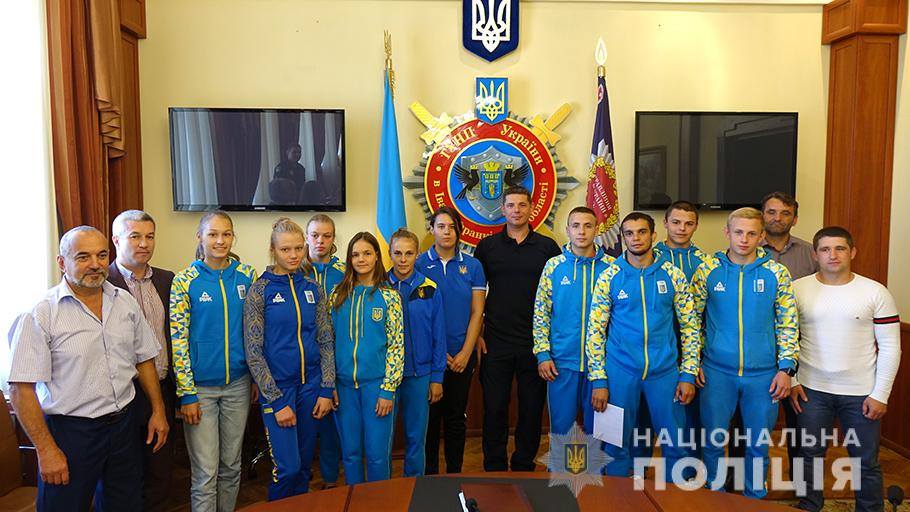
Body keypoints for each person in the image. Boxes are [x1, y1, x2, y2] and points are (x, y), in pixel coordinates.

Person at [8, 226, 168, 512]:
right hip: (71, 433)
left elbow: (144, 358)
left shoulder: (125, 302)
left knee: (126, 505)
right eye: (83, 257)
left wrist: (158, 410)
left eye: (101, 255)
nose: (95, 264)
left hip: (123, 427)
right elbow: (21, 389)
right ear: (62, 262)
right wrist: (46, 450)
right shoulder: (41, 313)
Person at [690, 207, 799, 499]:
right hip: (716, 372)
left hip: (763, 376)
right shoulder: (708, 270)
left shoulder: (776, 273)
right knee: (713, 442)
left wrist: (786, 369)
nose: (744, 239)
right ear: (727, 232)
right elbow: (692, 320)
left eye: (752, 233)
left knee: (758, 445)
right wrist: (693, 361)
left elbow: (788, 322)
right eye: (738, 232)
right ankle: (713, 497)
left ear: (761, 236)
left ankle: (755, 499)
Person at [790, 226, 901, 512]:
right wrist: (792, 381)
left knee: (865, 460)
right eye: (825, 249)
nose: (833, 255)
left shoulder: (875, 292)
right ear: (815, 254)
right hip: (811, 390)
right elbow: (784, 339)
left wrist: (880, 395)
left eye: (840, 248)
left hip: (861, 392)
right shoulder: (796, 289)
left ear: (852, 252)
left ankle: (869, 508)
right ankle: (809, 504)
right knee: (809, 454)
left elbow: (891, 347)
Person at [586, 212, 699, 480]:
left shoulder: (672, 275)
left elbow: (690, 327)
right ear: (623, 238)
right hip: (620, 372)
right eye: (629, 233)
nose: (635, 238)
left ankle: (675, 498)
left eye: (642, 232)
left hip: (665, 372)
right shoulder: (609, 275)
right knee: (614, 445)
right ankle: (619, 499)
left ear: (653, 235)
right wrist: (599, 379)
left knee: (675, 444)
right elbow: (595, 330)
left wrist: (688, 373)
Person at [170, 211, 257, 512]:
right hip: (200, 392)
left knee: (231, 466)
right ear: (200, 237)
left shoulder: (247, 275)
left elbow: (255, 333)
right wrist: (187, 394)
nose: (220, 240)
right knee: (205, 473)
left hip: (238, 386)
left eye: (226, 234)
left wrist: (254, 378)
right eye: (213, 234)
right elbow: (178, 340)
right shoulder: (184, 281)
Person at [244, 218, 336, 500]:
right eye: (286, 249)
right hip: (279, 390)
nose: (294, 255)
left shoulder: (313, 288)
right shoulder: (260, 291)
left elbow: (325, 340)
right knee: (287, 468)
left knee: (304, 467)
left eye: (298, 248)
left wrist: (326, 389)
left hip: (311, 388)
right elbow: (254, 351)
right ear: (273, 250)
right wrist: (276, 401)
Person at [474, 186, 561, 472]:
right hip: (495, 341)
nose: (516, 210)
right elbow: (476, 294)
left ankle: (524, 462)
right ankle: (494, 464)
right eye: (510, 205)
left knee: (532, 408)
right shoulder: (487, 247)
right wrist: (477, 334)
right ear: (502, 209)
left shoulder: (548, 248)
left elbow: (557, 297)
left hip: (535, 343)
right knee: (494, 407)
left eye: (522, 205)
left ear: (531, 209)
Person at [107, 210, 175, 512]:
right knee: (122, 477)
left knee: (160, 472)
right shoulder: (102, 281)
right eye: (135, 236)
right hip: (122, 396)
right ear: (116, 240)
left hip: (162, 390)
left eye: (149, 236)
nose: (144, 244)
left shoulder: (167, 280)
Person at [643, 200, 713, 474]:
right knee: (644, 417)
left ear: (696, 226)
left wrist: (698, 358)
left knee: (689, 418)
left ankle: (687, 475)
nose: (681, 228)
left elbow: (710, 313)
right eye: (676, 222)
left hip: (691, 353)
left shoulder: (706, 263)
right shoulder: (648, 257)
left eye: (688, 223)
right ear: (665, 224)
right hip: (654, 353)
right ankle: (637, 476)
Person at [416, 206, 486, 475]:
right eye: (441, 226)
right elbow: (417, 315)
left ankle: (455, 474)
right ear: (431, 229)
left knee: (456, 418)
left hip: (461, 357)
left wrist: (466, 352)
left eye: (452, 227)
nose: (446, 232)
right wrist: (438, 352)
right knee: (430, 421)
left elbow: (477, 312)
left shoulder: (473, 266)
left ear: (459, 231)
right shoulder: (419, 264)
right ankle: (430, 476)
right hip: (429, 357)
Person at [533, 207, 613, 437]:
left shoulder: (613, 267)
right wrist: (543, 354)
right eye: (576, 226)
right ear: (567, 230)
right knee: (562, 431)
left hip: (602, 366)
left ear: (597, 229)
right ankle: (562, 464)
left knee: (602, 433)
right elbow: (541, 313)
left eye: (588, 226)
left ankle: (600, 464)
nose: (581, 232)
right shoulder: (554, 266)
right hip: (561, 363)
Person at [330, 232, 404, 483]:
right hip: (343, 388)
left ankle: (378, 501)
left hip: (376, 387)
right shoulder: (337, 296)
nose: (361, 259)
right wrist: (330, 384)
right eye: (355, 254)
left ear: (377, 257)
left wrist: (388, 390)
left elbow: (396, 346)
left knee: (377, 455)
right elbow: (327, 343)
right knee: (350, 454)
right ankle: (354, 498)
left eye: (367, 253)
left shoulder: (389, 297)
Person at [759, 191, 818, 479]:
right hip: (756, 349)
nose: (777, 218)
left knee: (799, 418)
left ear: (794, 219)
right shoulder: (745, 248)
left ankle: (801, 482)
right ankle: (737, 480)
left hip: (799, 350)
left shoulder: (811, 253)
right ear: (762, 216)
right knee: (746, 422)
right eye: (771, 212)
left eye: (785, 213)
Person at [387, 229, 446, 476]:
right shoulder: (378, 287)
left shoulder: (429, 288)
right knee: (383, 440)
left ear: (417, 255)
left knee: (416, 439)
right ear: (389, 254)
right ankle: (384, 490)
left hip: (419, 375)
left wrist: (436, 378)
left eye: (409, 253)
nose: (403, 259)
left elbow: (438, 337)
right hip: (385, 378)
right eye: (398, 253)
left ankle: (413, 486)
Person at [304, 214, 345, 487]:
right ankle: (301, 479)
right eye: (315, 235)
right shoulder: (295, 269)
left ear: (333, 239)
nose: (320, 241)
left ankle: (330, 480)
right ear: (306, 237)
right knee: (304, 425)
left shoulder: (345, 272)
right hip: (304, 359)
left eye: (326, 236)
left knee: (331, 426)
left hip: (336, 358)